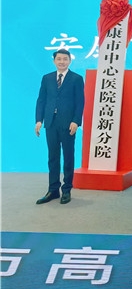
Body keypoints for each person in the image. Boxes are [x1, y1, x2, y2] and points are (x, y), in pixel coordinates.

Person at [35, 49, 85, 205]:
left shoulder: (76, 78)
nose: (62, 61)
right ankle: (53, 190)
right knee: (53, 157)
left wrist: (76, 121)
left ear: (70, 60)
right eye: (59, 59)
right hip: (50, 123)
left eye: (65, 59)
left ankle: (67, 189)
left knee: (68, 157)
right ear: (54, 61)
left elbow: (80, 102)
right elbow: (41, 100)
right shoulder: (47, 78)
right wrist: (39, 120)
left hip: (68, 123)